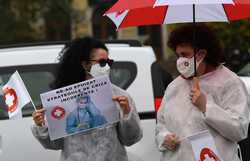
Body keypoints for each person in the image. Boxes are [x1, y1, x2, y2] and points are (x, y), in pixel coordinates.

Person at [31, 37, 142, 161]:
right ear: (85, 64)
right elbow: (55, 144)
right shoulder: (64, 98)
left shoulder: (120, 96)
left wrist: (126, 113)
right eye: (102, 62)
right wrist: (40, 124)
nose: (107, 67)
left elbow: (131, 139)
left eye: (109, 62)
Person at [155, 24, 250, 161]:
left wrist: (206, 107)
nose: (180, 60)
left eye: (184, 54)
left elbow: (239, 130)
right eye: (178, 55)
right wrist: (164, 138)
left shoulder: (230, 83)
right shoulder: (174, 86)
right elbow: (161, 125)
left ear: (201, 54)